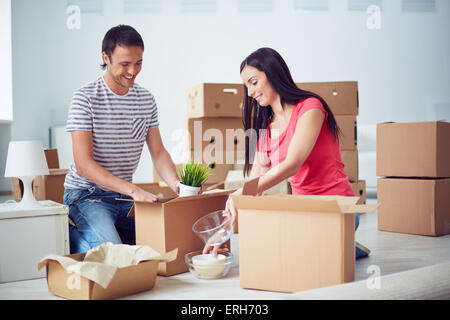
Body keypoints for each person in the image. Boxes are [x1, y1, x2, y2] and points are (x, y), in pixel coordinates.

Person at [204, 47, 369, 259]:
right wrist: (225, 229)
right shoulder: (266, 128)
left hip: (338, 206)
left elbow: (293, 163)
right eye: (247, 87)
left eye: (253, 82)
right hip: (304, 210)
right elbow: (255, 182)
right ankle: (338, 246)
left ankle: (342, 245)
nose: (251, 92)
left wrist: (242, 193)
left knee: (297, 252)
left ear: (273, 72)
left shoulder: (311, 108)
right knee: (274, 244)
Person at [64, 25, 180, 254]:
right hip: (88, 195)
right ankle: (66, 233)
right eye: (125, 64)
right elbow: (84, 165)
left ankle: (112, 235)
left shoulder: (146, 99)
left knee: (167, 241)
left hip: (123, 198)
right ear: (106, 57)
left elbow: (158, 152)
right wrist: (135, 191)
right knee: (115, 254)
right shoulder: (84, 98)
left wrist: (178, 185)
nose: (133, 71)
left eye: (138, 63)